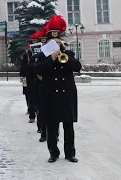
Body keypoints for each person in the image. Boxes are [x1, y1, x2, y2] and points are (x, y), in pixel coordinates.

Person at [34, 16, 81, 163]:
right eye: (53, 43)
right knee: (52, 127)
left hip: (66, 95)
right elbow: (37, 70)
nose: (56, 45)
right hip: (50, 96)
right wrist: (51, 60)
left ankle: (70, 153)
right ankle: (53, 153)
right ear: (48, 43)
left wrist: (64, 56)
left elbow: (77, 67)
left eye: (58, 42)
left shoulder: (68, 55)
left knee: (68, 126)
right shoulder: (42, 56)